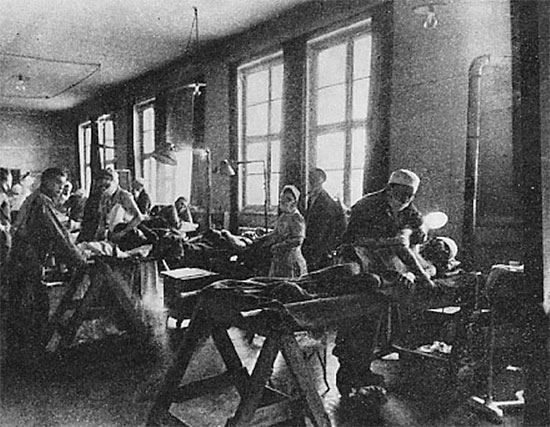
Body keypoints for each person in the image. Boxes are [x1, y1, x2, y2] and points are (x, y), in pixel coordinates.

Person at [333, 168, 436, 397]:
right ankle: (348, 372)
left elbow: (412, 241)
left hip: (382, 264)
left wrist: (412, 270)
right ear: (390, 189)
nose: (406, 200)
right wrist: (422, 276)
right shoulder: (366, 207)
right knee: (357, 317)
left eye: (411, 196)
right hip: (357, 260)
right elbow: (358, 241)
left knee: (375, 319)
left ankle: (362, 369)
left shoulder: (407, 210)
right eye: (402, 194)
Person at [4, 167, 86, 365]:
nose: (61, 188)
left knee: (22, 306)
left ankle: (18, 355)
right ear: (46, 181)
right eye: (57, 183)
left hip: (21, 259)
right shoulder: (41, 202)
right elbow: (59, 236)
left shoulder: (35, 198)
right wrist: (80, 261)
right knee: (35, 306)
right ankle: (33, 357)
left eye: (63, 183)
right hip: (27, 260)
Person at [302, 168, 346, 271]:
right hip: (310, 244)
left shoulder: (326, 200)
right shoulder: (311, 198)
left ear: (322, 181)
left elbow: (326, 228)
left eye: (316, 178)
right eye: (311, 178)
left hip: (320, 246)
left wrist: (322, 248)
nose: (312, 181)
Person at [263, 184, 307, 278]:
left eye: (288, 199)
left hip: (291, 260)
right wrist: (263, 238)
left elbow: (298, 240)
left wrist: (279, 246)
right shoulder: (283, 216)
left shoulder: (296, 217)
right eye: (282, 198)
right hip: (279, 260)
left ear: (294, 202)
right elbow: (276, 233)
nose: (283, 202)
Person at [95, 169, 145, 245]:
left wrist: (122, 233)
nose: (103, 189)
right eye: (101, 187)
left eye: (106, 186)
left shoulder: (124, 196)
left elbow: (139, 217)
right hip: (112, 236)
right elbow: (102, 221)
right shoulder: (105, 198)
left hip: (129, 236)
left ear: (114, 182)